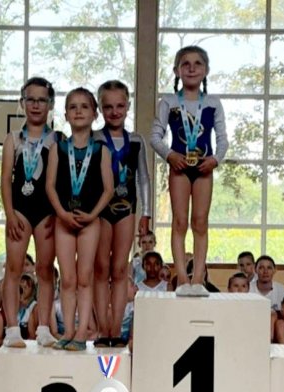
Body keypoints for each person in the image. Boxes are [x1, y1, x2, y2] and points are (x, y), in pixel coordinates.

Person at [151, 45, 228, 297]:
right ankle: (182, 278)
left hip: (204, 168)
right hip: (180, 168)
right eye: (186, 64)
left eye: (198, 64)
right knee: (180, 221)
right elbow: (155, 136)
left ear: (206, 70)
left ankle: (198, 279)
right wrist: (170, 155)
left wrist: (215, 159)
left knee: (200, 222)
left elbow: (223, 138)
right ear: (177, 71)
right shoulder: (169, 102)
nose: (192, 68)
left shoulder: (213, 103)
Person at [46, 87, 114, 351]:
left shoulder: (100, 150)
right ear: (65, 114)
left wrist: (92, 215)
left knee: (85, 277)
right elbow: (50, 186)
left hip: (90, 221)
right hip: (63, 220)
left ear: (95, 114)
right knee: (67, 279)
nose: (78, 111)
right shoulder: (58, 148)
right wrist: (62, 214)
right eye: (73, 107)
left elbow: (108, 189)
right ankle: (68, 330)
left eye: (84, 106)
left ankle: (83, 331)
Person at [93, 80, 152, 348]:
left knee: (119, 269)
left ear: (128, 106)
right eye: (108, 107)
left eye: (120, 106)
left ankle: (116, 329)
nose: (114, 112)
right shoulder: (94, 139)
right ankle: (101, 329)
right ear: (100, 108)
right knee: (100, 269)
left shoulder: (136, 141)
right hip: (100, 211)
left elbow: (144, 179)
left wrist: (146, 213)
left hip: (127, 209)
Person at [0, 77, 58, 348]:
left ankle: (44, 328)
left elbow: (60, 182)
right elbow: (5, 180)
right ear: (22, 103)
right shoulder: (12, 139)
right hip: (20, 210)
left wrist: (57, 214)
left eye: (41, 100)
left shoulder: (57, 140)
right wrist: (10, 214)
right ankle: (12, 329)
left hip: (47, 212)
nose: (36, 105)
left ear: (50, 104)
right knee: (13, 268)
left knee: (45, 270)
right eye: (31, 100)